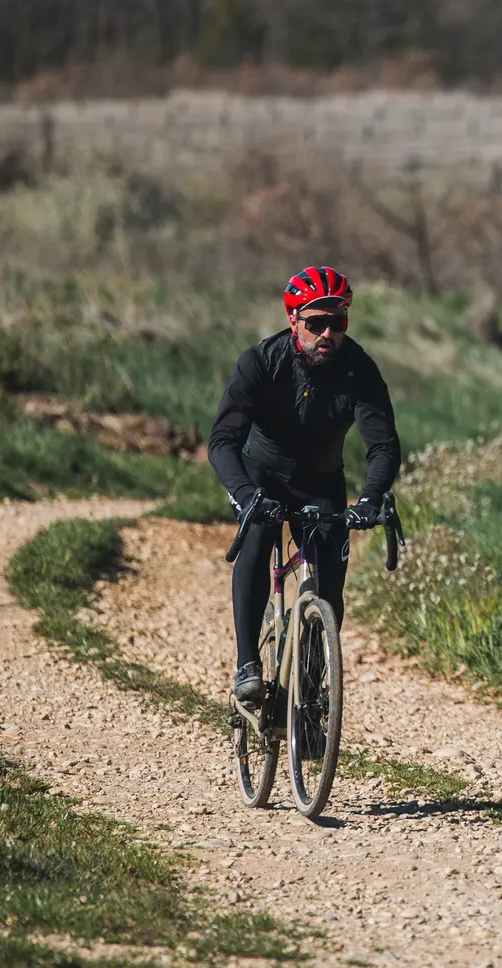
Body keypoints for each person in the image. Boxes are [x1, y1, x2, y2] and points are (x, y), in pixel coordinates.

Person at [208, 266, 401, 708]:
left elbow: (384, 446)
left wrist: (370, 498)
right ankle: (247, 667)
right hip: (262, 477)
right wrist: (243, 494)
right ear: (293, 319)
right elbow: (222, 441)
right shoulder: (260, 362)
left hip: (321, 482)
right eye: (316, 323)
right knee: (258, 538)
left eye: (338, 322)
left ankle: (310, 703)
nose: (328, 333)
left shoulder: (358, 370)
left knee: (329, 583)